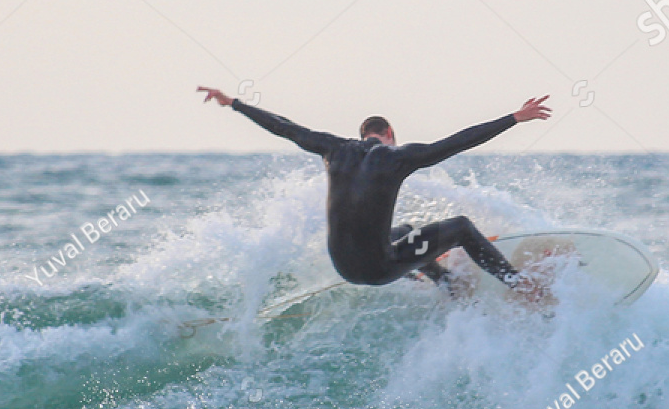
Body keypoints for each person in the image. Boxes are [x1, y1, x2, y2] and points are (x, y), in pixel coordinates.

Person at [198, 86, 551, 289]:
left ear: (361, 134)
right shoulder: (397, 157)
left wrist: (234, 103)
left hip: (343, 266)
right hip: (378, 269)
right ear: (390, 136)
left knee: (406, 230)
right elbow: (457, 142)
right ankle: (517, 283)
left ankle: (442, 280)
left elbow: (284, 127)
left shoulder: (333, 149)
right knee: (460, 227)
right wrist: (513, 118)